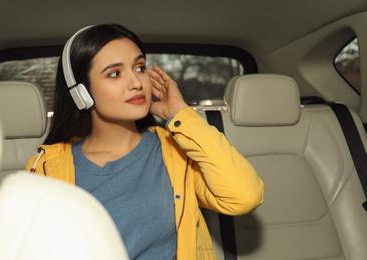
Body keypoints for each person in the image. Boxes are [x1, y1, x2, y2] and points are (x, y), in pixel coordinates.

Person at [25, 24, 264, 260]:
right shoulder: (45, 169)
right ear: (81, 93)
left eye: (139, 68)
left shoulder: (176, 151)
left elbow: (244, 197)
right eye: (115, 73)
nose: (137, 83)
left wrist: (180, 115)